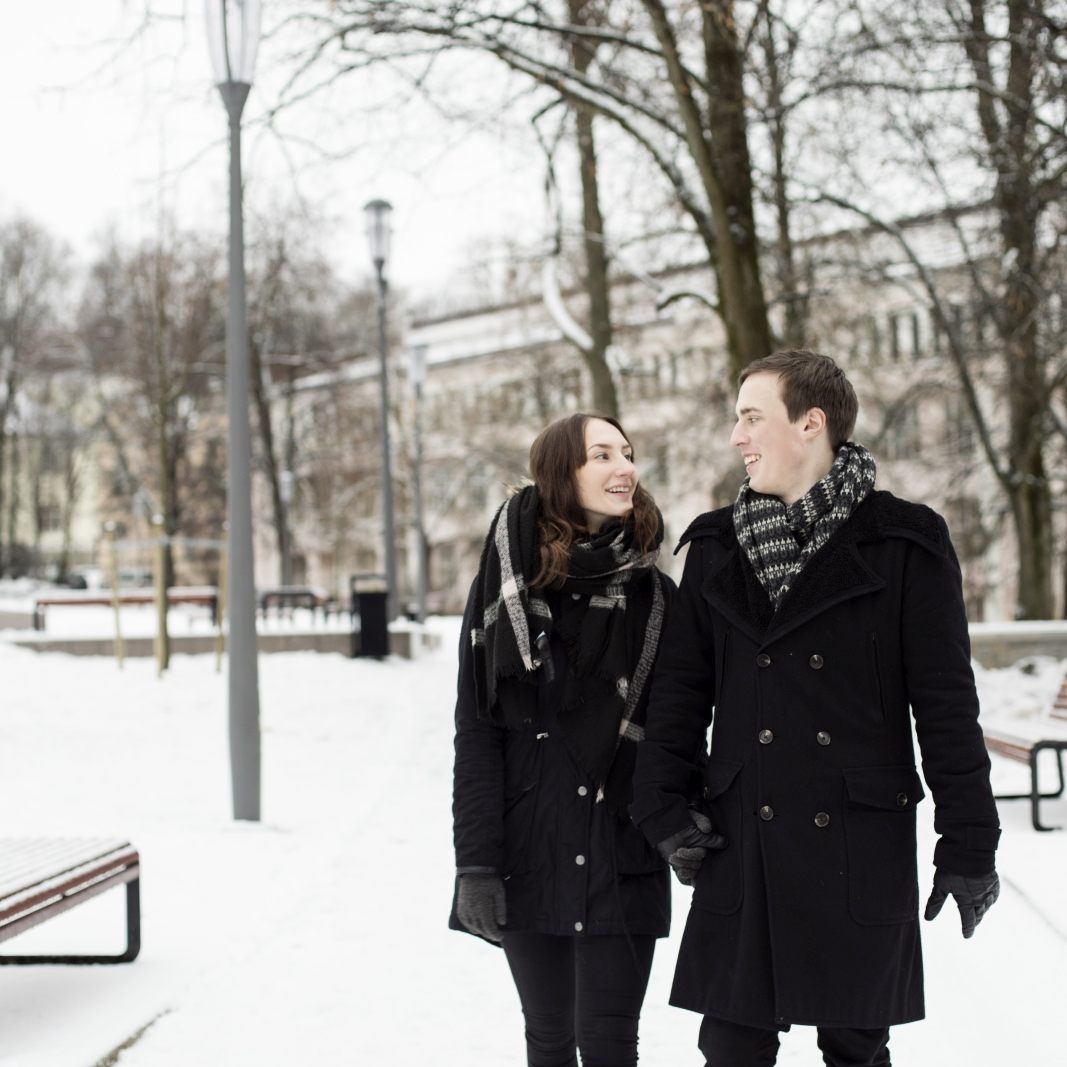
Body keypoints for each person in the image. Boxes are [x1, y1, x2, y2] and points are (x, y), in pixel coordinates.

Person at [631, 349, 1001, 1067]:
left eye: (750, 417)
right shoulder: (714, 545)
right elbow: (676, 695)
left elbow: (947, 707)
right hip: (744, 834)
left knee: (855, 1049)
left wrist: (969, 843)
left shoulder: (903, 542)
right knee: (731, 1047)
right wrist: (662, 810)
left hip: (856, 837)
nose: (736, 435)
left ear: (810, 422)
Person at [451, 413, 675, 1067]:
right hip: (531, 848)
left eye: (627, 453)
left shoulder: (655, 596)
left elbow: (680, 728)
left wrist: (682, 818)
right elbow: (477, 732)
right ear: (559, 473)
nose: (623, 466)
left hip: (622, 849)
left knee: (609, 1044)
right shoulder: (501, 589)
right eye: (600, 454)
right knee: (547, 1040)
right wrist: (476, 864)